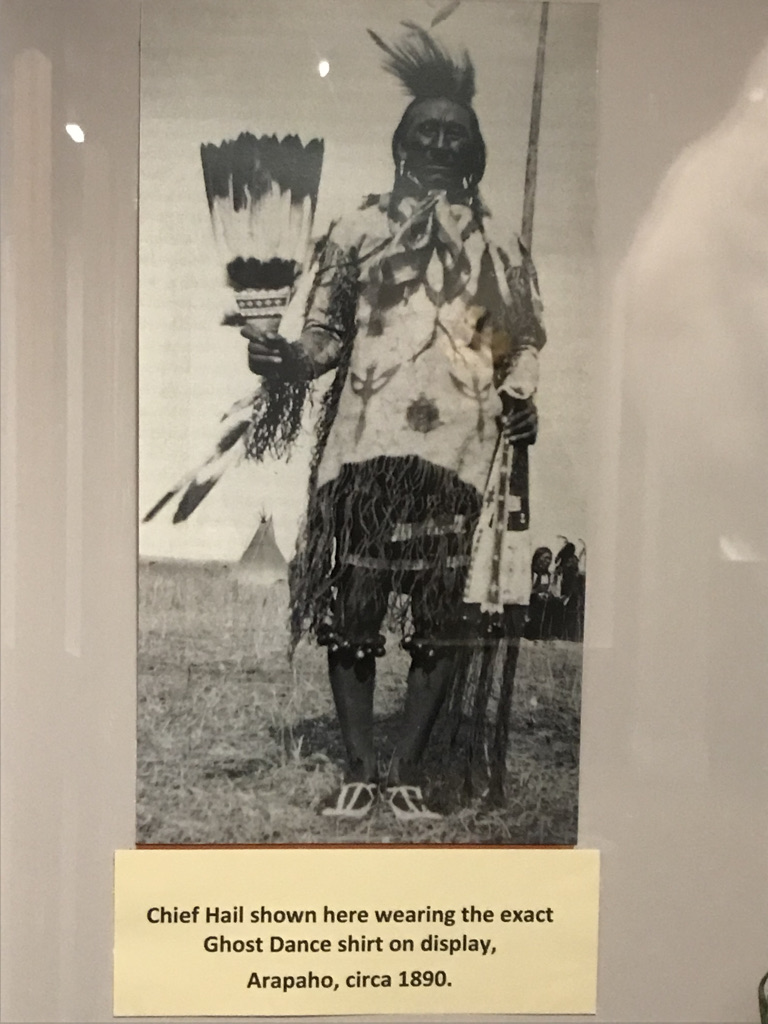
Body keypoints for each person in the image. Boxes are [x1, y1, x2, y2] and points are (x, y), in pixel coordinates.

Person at [242, 26, 545, 821]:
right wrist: (284, 361)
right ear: (401, 144)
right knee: (357, 610)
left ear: (474, 153)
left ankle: (406, 767)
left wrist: (521, 396)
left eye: (457, 134)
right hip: (365, 450)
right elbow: (327, 336)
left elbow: (511, 345)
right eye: (427, 131)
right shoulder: (357, 229)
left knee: (442, 619)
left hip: (458, 449)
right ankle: (359, 766)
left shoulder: (496, 243)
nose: (442, 142)